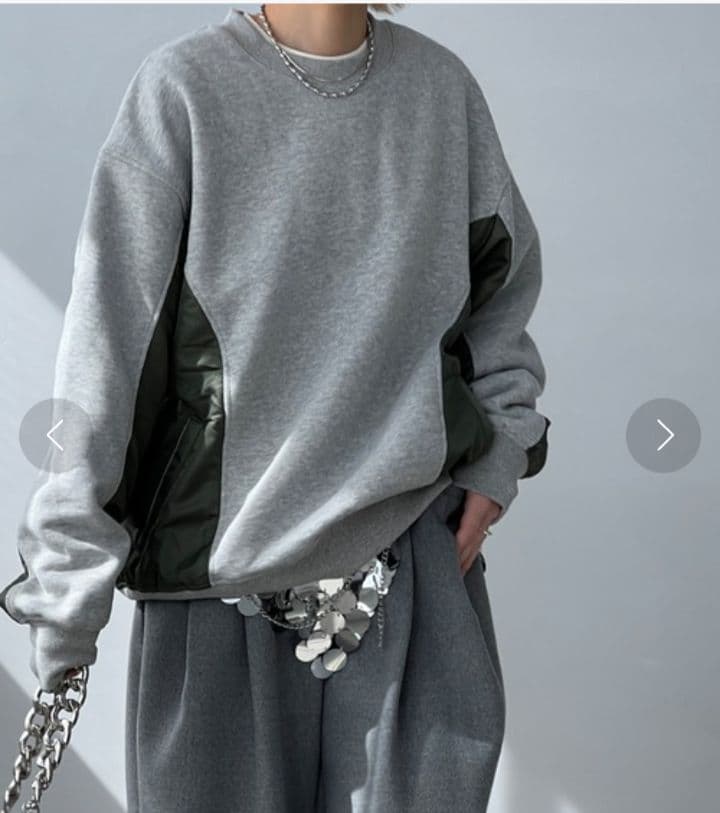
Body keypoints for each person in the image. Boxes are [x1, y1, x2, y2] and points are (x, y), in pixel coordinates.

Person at [0, 3, 550, 811]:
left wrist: (498, 459)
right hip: (219, 602)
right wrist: (67, 589)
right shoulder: (183, 91)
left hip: (413, 579)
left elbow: (501, 294)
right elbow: (107, 351)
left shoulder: (442, 91)